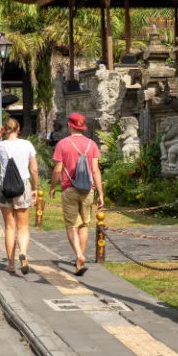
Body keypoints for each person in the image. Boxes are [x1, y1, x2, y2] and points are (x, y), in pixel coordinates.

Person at [48, 112, 104, 276]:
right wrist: (100, 193)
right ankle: (79, 261)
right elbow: (95, 170)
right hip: (88, 190)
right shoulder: (92, 144)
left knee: (72, 225)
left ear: (70, 126)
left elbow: (58, 169)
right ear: (82, 127)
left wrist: (52, 187)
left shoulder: (63, 144)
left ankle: (79, 256)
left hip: (69, 189)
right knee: (84, 224)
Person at [0, 119, 39, 275]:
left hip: (4, 187)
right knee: (23, 226)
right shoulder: (27, 145)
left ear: (5, 130)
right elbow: (34, 170)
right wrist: (35, 189)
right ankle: (22, 253)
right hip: (23, 186)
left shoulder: (1, 146)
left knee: (9, 227)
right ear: (19, 128)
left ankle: (10, 263)